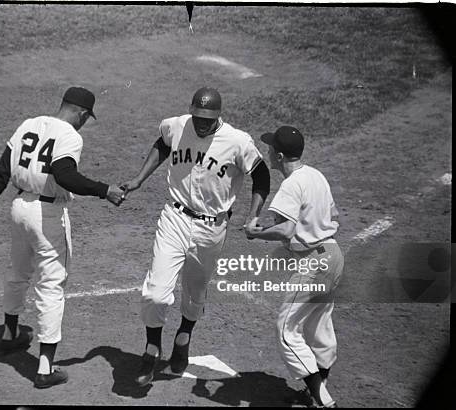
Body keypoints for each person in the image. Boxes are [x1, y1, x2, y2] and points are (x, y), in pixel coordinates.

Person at [0, 86, 125, 389]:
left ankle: (9, 335)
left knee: (17, 273)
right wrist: (104, 189)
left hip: (18, 208)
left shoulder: (28, 124)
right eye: (86, 118)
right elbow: (65, 176)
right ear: (82, 113)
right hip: (47, 216)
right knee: (52, 285)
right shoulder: (70, 135)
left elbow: (1, 172)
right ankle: (45, 368)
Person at [122, 87, 271, 386]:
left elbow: (262, 175)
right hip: (175, 217)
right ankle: (152, 348)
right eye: (198, 117)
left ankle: (184, 336)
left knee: (195, 292)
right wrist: (139, 178)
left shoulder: (238, 141)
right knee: (155, 292)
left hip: (212, 228)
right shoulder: (177, 124)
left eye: (208, 119)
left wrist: (253, 214)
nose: (201, 124)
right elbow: (163, 144)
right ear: (192, 110)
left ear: (218, 116)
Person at [245, 126, 343, 408]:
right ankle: (317, 392)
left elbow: (286, 230)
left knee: (286, 329)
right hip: (333, 255)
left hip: (314, 263)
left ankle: (323, 400)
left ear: (278, 155)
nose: (267, 151)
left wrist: (256, 233)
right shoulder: (316, 176)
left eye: (270, 148)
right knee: (317, 326)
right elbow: (333, 214)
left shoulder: (291, 184)